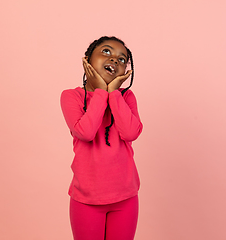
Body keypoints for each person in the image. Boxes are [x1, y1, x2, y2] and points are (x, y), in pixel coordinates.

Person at [60, 36, 143, 240]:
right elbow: (85, 133)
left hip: (126, 199)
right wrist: (100, 92)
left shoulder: (126, 97)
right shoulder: (71, 96)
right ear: (87, 60)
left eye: (122, 59)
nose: (115, 59)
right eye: (106, 52)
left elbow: (131, 133)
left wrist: (113, 93)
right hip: (86, 201)